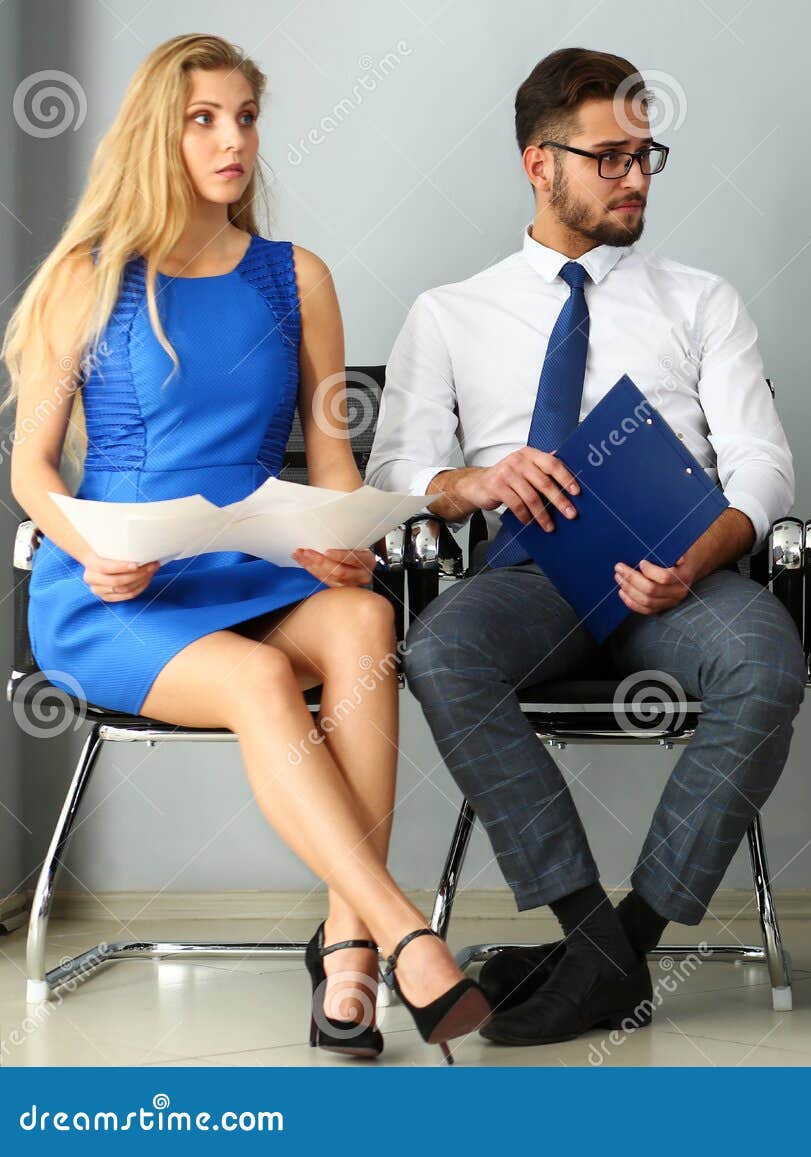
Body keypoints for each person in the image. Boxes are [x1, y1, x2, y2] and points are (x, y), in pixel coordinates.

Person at [5, 34, 489, 1061]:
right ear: (158, 134)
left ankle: (349, 942)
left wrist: (341, 539)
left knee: (364, 617)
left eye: (246, 116)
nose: (233, 139)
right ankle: (400, 932)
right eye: (204, 118)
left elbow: (331, 461)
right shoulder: (87, 282)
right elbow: (32, 469)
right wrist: (90, 545)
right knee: (264, 678)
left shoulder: (295, 279)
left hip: (253, 566)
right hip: (115, 589)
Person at [366, 47, 805, 1047]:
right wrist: (472, 482)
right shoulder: (450, 313)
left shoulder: (701, 300)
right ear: (539, 162)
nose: (636, 177)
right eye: (609, 157)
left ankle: (620, 948)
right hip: (530, 578)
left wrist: (701, 553)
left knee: (765, 657)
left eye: (647, 155)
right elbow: (395, 471)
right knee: (440, 646)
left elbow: (763, 469)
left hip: (682, 574)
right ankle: (587, 932)